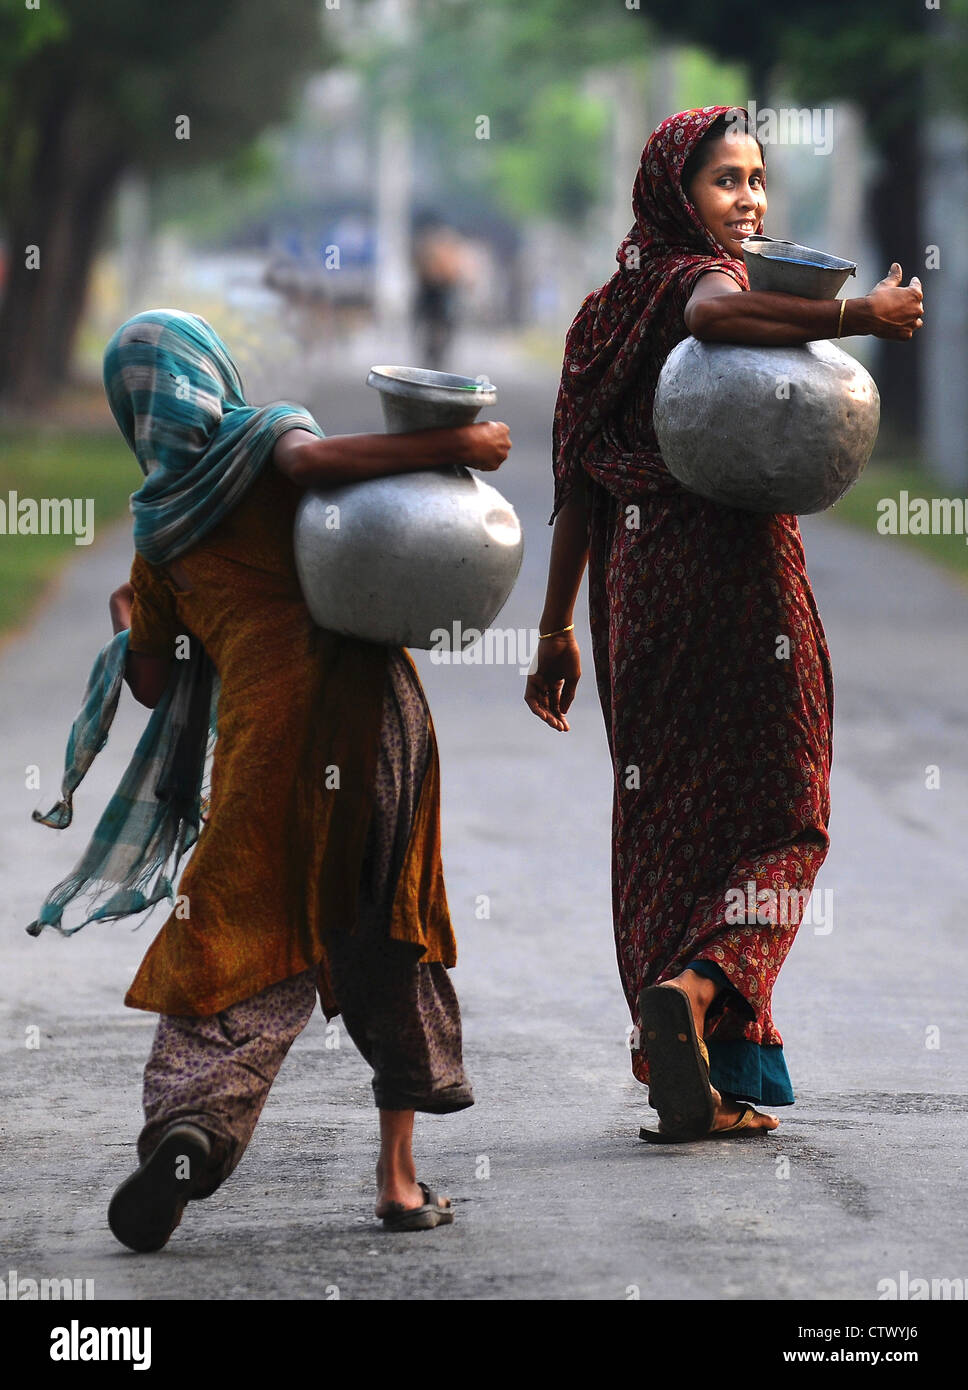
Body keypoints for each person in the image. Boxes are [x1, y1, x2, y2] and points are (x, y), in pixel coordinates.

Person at [27, 309, 510, 1246]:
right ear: (211, 375)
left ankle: (191, 1129)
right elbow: (313, 467)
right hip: (372, 723)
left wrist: (132, 617)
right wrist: (462, 442)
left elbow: (157, 676)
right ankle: (398, 1182)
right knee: (387, 929)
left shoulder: (162, 531)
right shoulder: (265, 437)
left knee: (237, 922)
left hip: (262, 756)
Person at [525, 106, 923, 1143]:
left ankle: (696, 1074)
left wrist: (554, 627)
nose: (746, 202)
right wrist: (858, 320)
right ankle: (701, 987)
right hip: (738, 578)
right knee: (789, 811)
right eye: (724, 182)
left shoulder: (599, 314)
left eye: (756, 181)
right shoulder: (703, 284)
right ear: (674, 192)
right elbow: (709, 316)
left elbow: (576, 481)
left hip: (635, 590)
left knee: (666, 821)